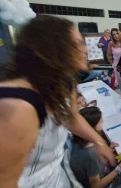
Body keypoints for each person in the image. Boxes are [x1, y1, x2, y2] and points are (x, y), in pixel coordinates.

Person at [0, 15, 115, 187]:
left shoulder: (64, 82)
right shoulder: (19, 105)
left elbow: (70, 116)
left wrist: (99, 141)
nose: (85, 49)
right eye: (77, 44)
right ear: (54, 49)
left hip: (55, 175)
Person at [70, 106, 121, 188]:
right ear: (93, 127)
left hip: (101, 171)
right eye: (101, 121)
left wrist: (107, 150)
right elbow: (96, 186)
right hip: (104, 183)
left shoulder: (78, 139)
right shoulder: (90, 155)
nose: (103, 123)